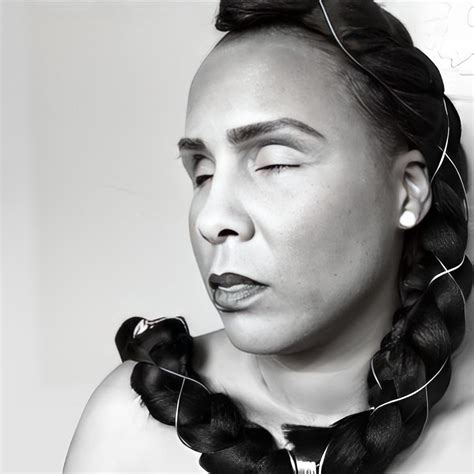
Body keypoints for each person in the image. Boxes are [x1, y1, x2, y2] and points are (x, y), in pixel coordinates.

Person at [63, 0, 473, 472]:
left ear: (407, 191)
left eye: (274, 162)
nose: (211, 219)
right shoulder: (127, 426)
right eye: (202, 172)